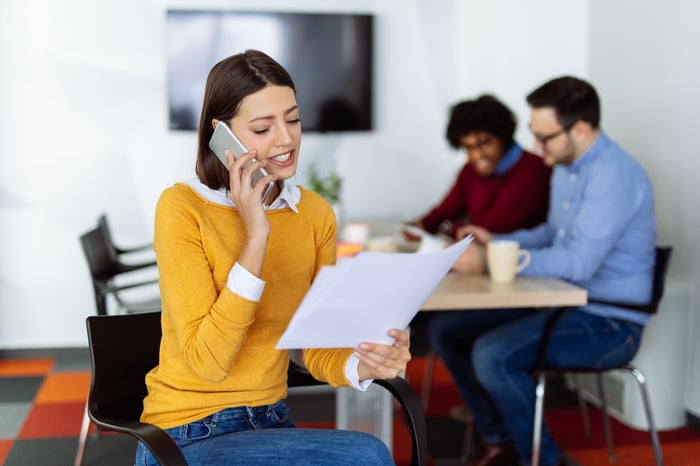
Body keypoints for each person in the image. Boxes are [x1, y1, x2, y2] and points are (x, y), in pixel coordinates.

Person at [136, 50, 411, 466]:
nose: (286, 140)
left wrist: (366, 362)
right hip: (185, 435)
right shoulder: (182, 208)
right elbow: (209, 363)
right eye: (263, 128)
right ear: (221, 132)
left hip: (271, 422)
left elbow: (311, 345)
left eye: (293, 119)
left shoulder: (314, 214)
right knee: (365, 455)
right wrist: (256, 234)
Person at [430, 76, 656, 466]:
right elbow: (550, 233)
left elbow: (580, 262)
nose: (536, 146)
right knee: (445, 330)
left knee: (491, 355)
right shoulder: (568, 168)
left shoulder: (612, 174)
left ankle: (543, 459)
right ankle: (499, 436)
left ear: (580, 128)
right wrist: (496, 239)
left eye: (544, 137)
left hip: (609, 320)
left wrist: (493, 260)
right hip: (565, 301)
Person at [408, 94, 551, 240]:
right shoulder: (470, 170)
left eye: (484, 143)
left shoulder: (534, 169)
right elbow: (442, 212)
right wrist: (420, 226)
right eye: (468, 147)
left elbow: (488, 230)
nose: (477, 155)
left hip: (523, 259)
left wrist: (447, 228)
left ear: (503, 136)